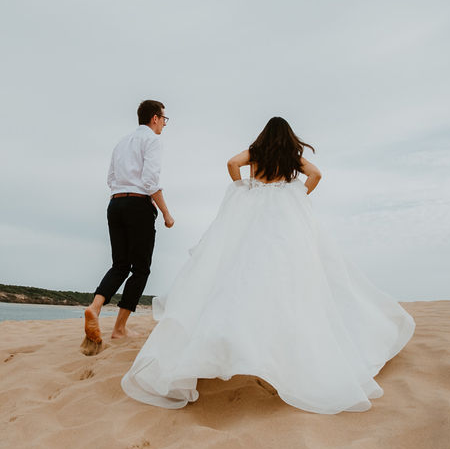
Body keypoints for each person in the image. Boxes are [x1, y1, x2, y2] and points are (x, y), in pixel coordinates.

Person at [121, 116, 415, 414]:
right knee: (286, 273)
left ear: (264, 135)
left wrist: (245, 187)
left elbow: (232, 163)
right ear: (288, 137)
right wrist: (297, 190)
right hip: (284, 216)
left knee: (240, 271)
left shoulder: (255, 152)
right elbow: (316, 174)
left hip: (251, 212)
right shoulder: (292, 157)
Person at [81, 100, 175, 356]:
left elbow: (110, 179)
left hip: (115, 203)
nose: (164, 124)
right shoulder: (153, 141)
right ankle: (119, 328)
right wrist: (166, 212)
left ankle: (96, 306)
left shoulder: (122, 143)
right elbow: (150, 180)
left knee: (120, 264)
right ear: (155, 118)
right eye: (164, 119)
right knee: (141, 269)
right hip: (138, 205)